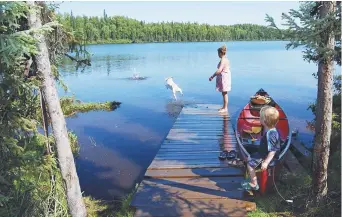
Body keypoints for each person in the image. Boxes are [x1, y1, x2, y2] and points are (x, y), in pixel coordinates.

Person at [241, 106, 281, 190]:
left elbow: (272, 151)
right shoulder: (271, 129)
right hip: (264, 152)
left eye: (261, 117)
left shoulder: (270, 134)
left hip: (265, 156)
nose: (259, 118)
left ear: (265, 121)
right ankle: (254, 176)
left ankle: (254, 183)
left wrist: (266, 162)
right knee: (250, 156)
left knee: (250, 163)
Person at [209, 44, 231, 113]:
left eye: (218, 53)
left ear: (221, 53)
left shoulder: (223, 60)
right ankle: (224, 106)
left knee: (224, 93)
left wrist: (212, 76)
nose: (217, 55)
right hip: (225, 76)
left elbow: (219, 70)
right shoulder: (226, 59)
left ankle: (225, 108)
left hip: (224, 78)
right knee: (224, 93)